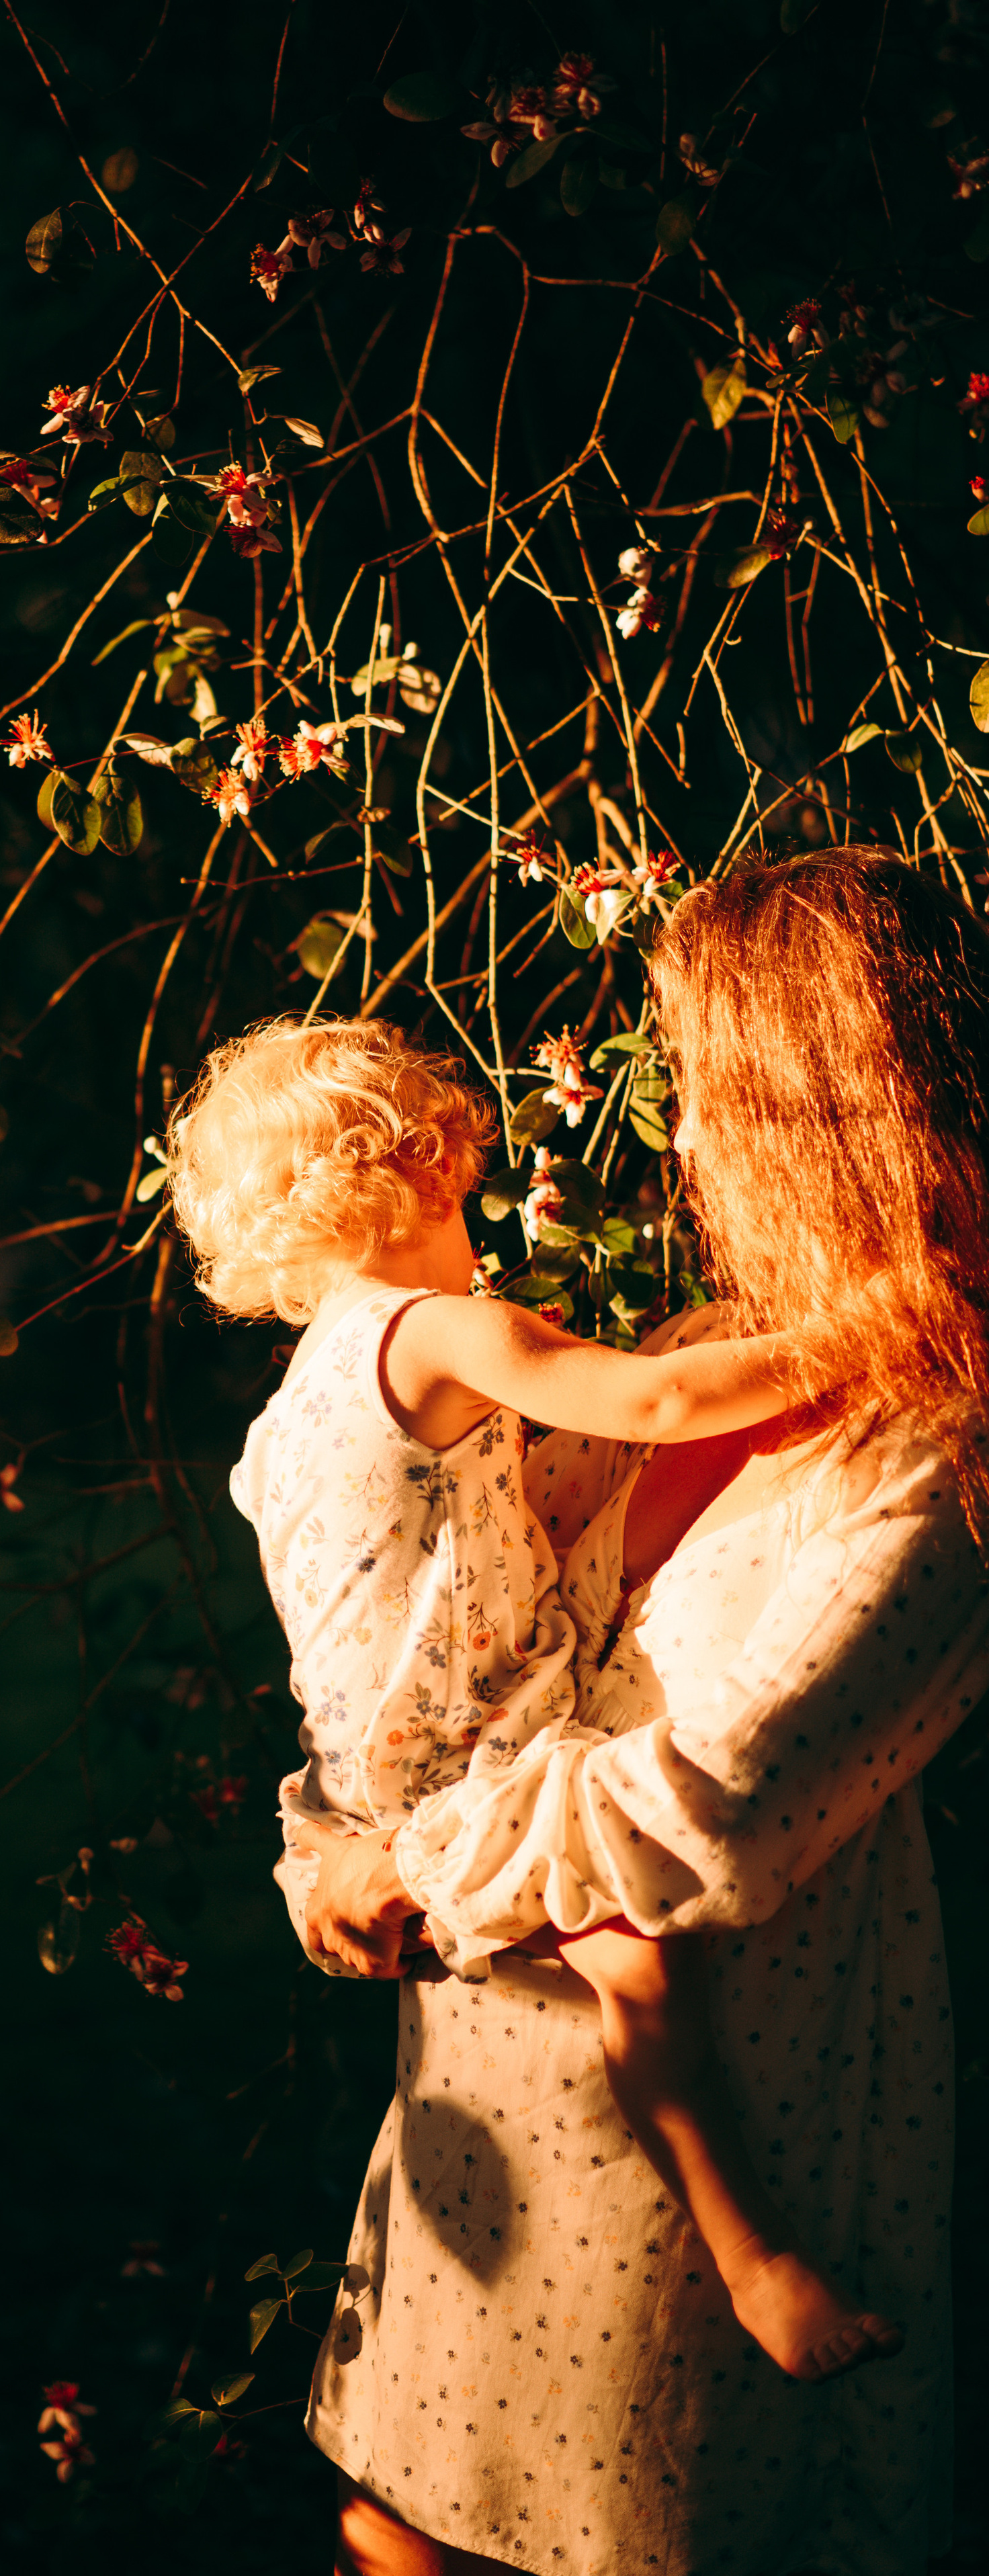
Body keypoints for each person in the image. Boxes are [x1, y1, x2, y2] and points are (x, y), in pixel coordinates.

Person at [272, 851, 989, 2576]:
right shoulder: (719, 1348)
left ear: (814, 1106)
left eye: (705, 1093)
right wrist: (321, 1852)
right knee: (399, 2521)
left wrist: (416, 1856)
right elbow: (437, 1651)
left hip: (714, 2161)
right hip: (489, 2101)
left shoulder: (939, 1454)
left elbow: (707, 1811)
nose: (679, 1147)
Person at [168, 1015, 901, 2388]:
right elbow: (656, 1397)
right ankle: (754, 2267)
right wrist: (856, 1332)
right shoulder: (441, 1331)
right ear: (437, 1149)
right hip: (472, 1748)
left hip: (365, 1772)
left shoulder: (304, 1389)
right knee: (637, 1969)